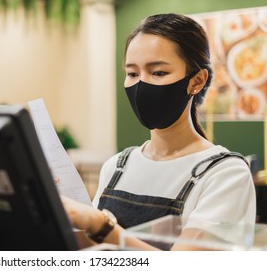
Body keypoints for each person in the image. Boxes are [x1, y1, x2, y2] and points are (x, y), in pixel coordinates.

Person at [62, 13, 256, 251]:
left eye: (158, 73)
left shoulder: (225, 175)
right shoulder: (116, 167)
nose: (141, 85)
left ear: (196, 81)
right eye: (132, 73)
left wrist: (103, 226)